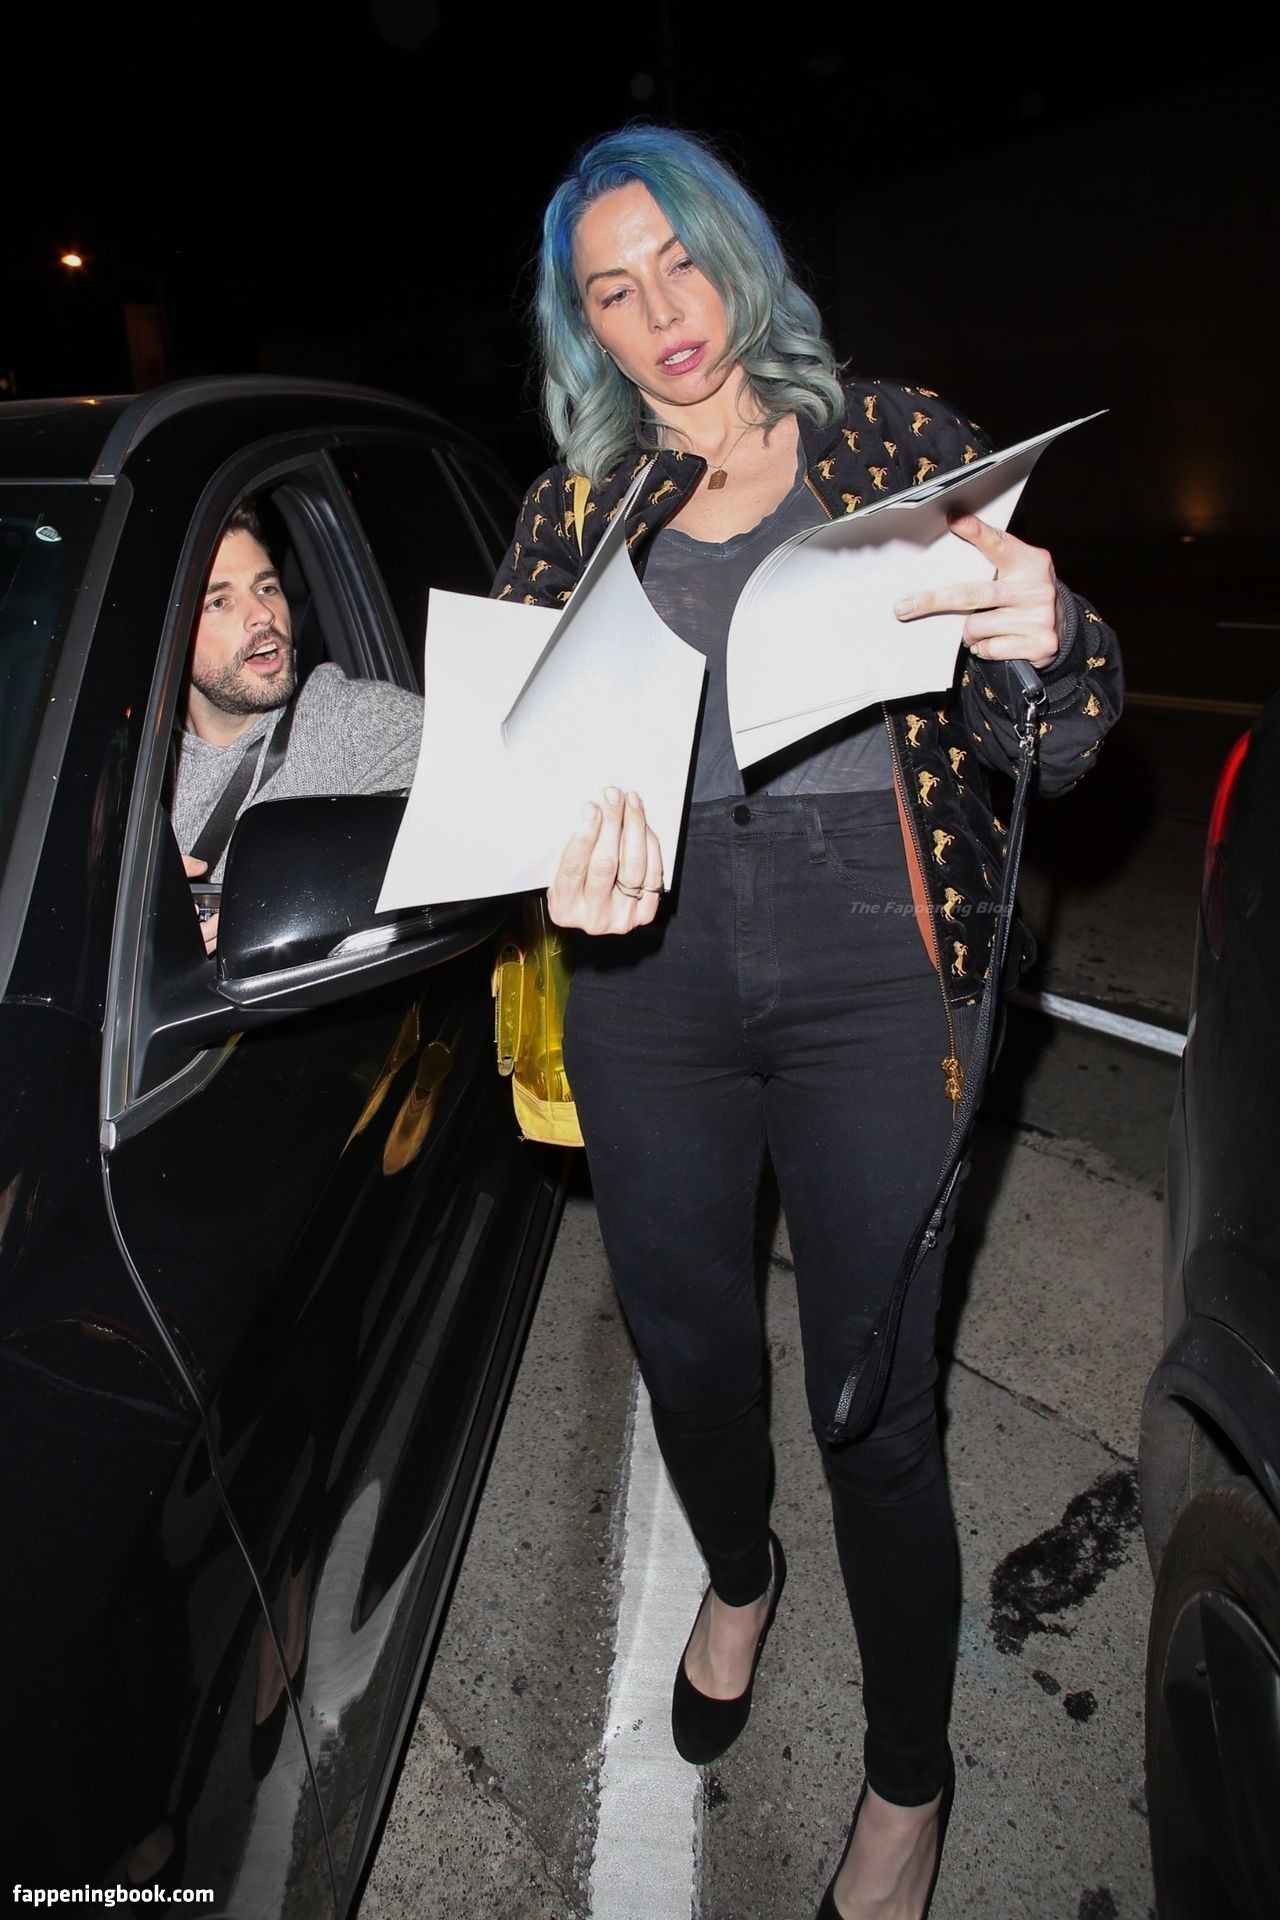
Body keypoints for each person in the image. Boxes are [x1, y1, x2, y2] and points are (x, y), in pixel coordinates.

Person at [492, 124, 1123, 1920]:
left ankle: (909, 1779)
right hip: (649, 976)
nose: (662, 310)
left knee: (877, 1402)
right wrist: (550, 866)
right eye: (615, 291)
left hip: (877, 963)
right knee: (688, 1347)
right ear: (587, 329)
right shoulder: (569, 514)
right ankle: (741, 1570)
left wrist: (1045, 632)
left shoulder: (899, 442)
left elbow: (1061, 745)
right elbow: (511, 786)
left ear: (738, 252)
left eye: (680, 260)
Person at [171, 499, 423, 951]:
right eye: (220, 601)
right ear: (170, 635)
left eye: (266, 587)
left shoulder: (346, 721)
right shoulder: (130, 769)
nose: (262, 614)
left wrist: (280, 905)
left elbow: (497, 779)